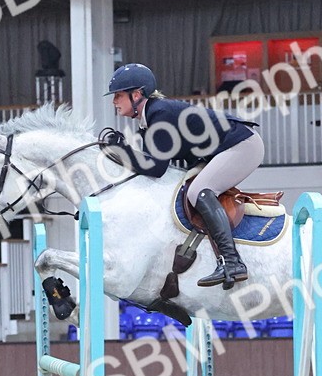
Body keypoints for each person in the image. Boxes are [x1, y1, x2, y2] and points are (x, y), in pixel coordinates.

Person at [104, 63, 263, 290]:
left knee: (199, 190)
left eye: (118, 95)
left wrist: (122, 153)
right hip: (220, 150)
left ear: (137, 94)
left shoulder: (160, 114)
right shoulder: (149, 119)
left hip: (242, 145)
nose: (114, 102)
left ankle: (232, 261)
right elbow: (156, 166)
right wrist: (124, 153)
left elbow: (156, 168)